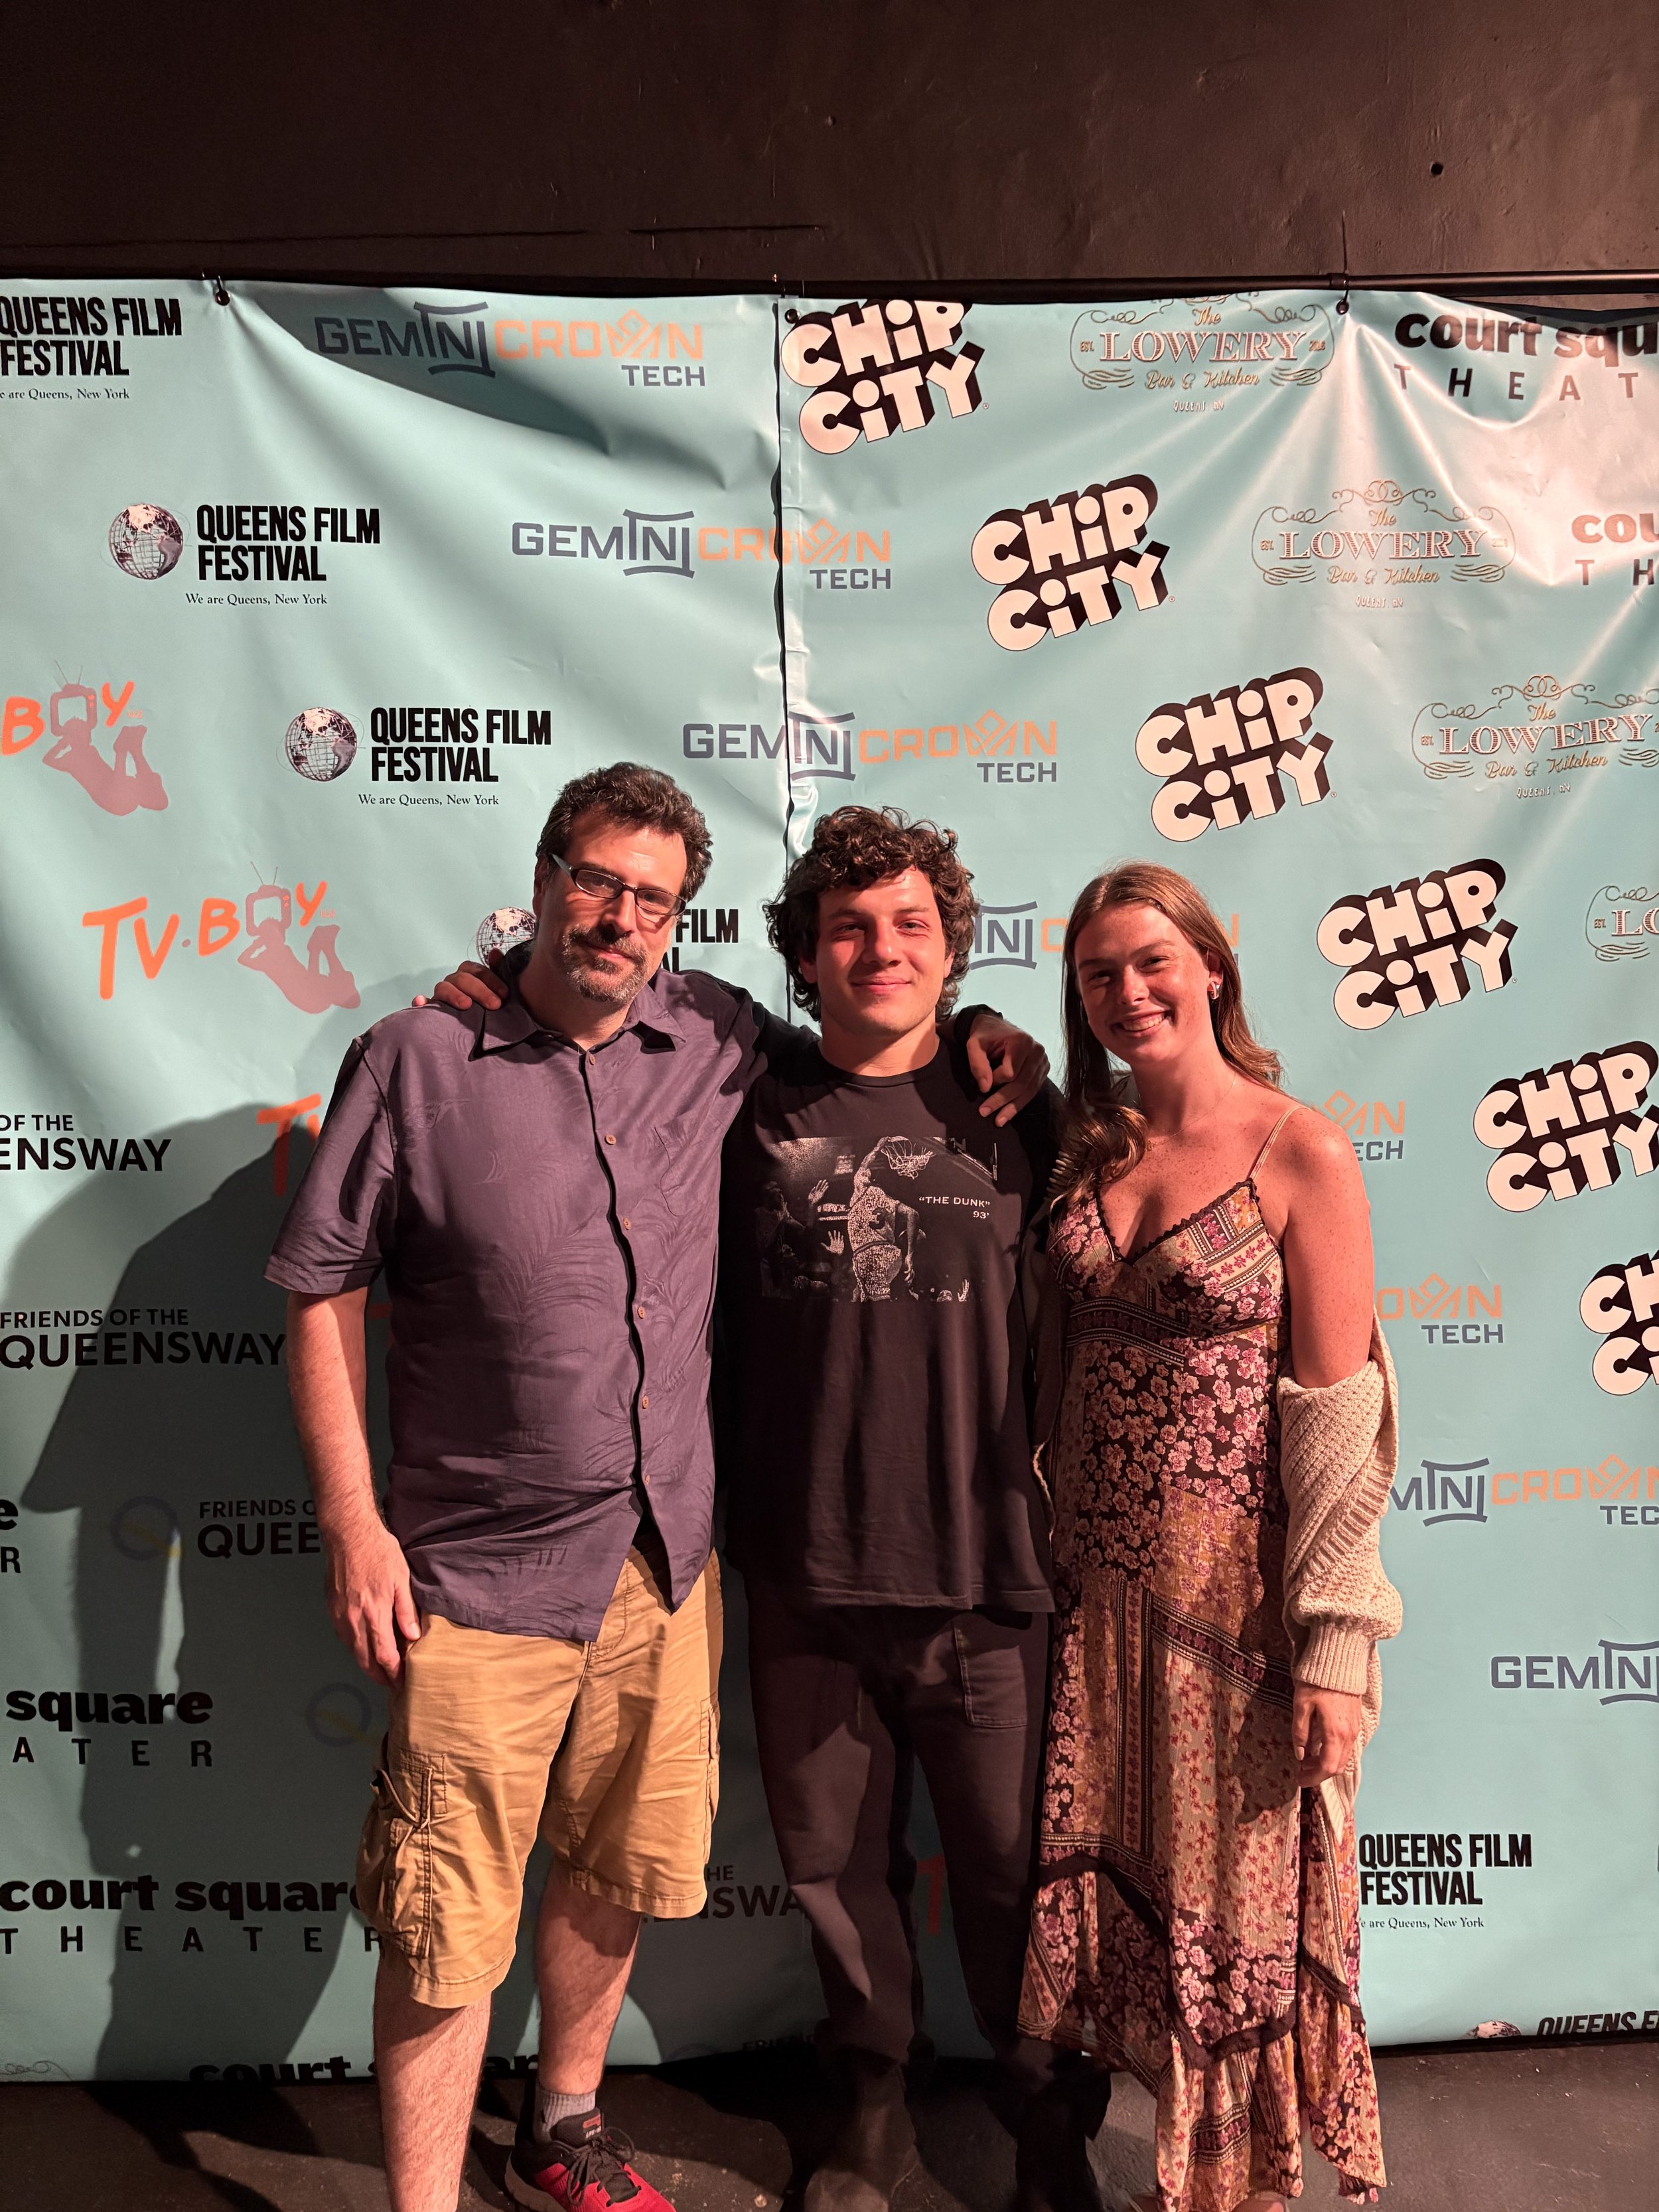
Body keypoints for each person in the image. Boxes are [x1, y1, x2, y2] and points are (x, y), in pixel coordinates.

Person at [273, 765, 1043, 2212]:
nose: (620, 916)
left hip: (663, 1568)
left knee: (615, 1863)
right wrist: (351, 1522)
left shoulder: (714, 1038)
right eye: (597, 880)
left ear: (681, 920)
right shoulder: (415, 1058)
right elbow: (321, 1289)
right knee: (444, 1918)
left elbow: (883, 1038)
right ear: (544, 878)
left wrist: (990, 1026)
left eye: (654, 897)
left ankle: (562, 2124)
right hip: (477, 1576)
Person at [1016, 862, 1400, 2212]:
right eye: (1096, 974)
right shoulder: (1090, 1146)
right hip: (1093, 1610)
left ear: (1211, 968)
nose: (1127, 992)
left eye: (1150, 961)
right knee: (1123, 1916)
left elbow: (1338, 1417)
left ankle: (1231, 2191)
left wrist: (1336, 1647)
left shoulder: (1301, 1151)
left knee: (1233, 1936)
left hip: (1232, 1625)